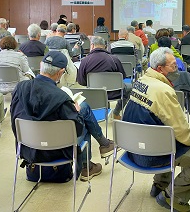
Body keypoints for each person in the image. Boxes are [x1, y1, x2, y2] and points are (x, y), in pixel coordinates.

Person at [123, 47, 190, 212]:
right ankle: (172, 196)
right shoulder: (163, 90)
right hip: (150, 157)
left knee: (162, 133)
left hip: (131, 150)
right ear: (160, 69)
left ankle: (159, 184)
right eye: (173, 66)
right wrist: (189, 145)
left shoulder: (141, 81)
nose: (177, 69)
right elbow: (182, 131)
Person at [10, 51, 114, 181]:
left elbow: (14, 119)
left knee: (83, 111)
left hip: (27, 147)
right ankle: (87, 166)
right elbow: (77, 130)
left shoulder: (19, 88)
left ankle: (100, 149)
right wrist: (75, 112)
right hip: (56, 150)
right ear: (60, 72)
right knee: (84, 117)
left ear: (41, 65)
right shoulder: (60, 97)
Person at [76, 36, 128, 120]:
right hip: (114, 93)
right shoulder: (114, 59)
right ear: (105, 46)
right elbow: (122, 77)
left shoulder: (85, 61)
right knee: (128, 88)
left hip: (94, 94)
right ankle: (116, 112)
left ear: (92, 46)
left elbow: (81, 82)